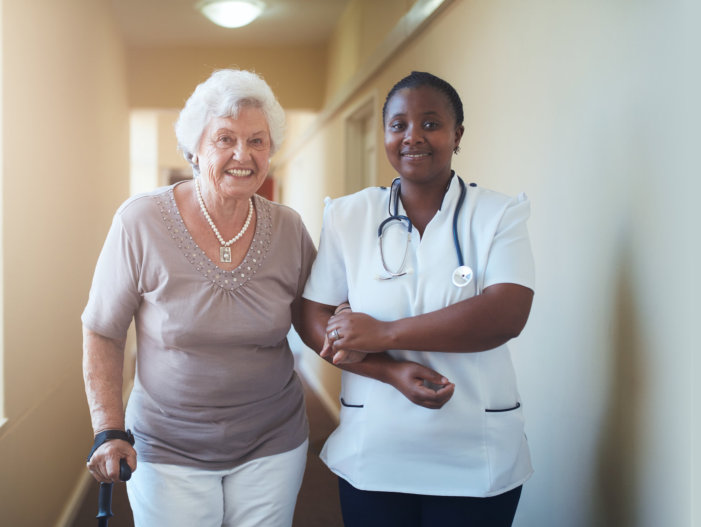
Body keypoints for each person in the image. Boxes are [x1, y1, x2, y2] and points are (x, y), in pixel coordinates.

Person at [299, 71, 535, 527]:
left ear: (457, 135)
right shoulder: (350, 215)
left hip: (474, 452)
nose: (412, 137)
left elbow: (506, 313)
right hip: (376, 451)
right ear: (385, 133)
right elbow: (312, 315)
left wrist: (382, 332)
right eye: (398, 125)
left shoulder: (498, 214)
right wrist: (388, 370)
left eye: (430, 124)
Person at [82, 69, 317, 526]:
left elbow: (317, 318)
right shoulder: (141, 222)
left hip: (273, 439)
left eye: (257, 141)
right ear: (194, 147)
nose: (242, 155)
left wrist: (385, 348)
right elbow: (103, 330)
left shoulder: (289, 228)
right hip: (167, 444)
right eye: (224, 139)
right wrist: (107, 428)